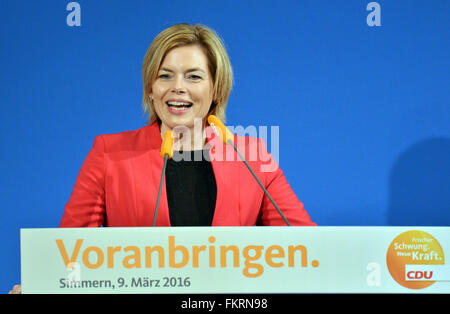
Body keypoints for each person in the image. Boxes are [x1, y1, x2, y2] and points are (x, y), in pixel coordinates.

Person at [58, 23, 316, 228]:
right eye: (165, 76)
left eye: (193, 76)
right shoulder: (108, 153)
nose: (178, 87)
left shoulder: (253, 157)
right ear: (150, 88)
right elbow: (69, 250)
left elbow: (305, 246)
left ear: (215, 89)